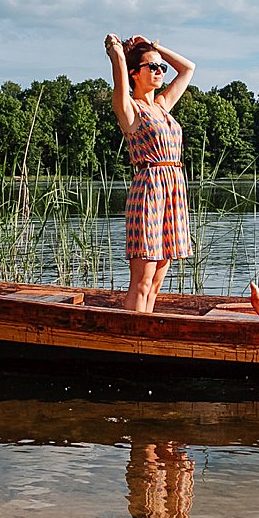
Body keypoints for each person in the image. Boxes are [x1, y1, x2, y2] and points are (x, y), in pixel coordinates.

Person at [105, 32, 196, 312]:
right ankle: (131, 336)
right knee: (142, 279)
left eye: (161, 67)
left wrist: (156, 47)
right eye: (152, 67)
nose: (159, 71)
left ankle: (145, 334)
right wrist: (117, 55)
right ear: (135, 74)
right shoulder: (130, 109)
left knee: (157, 278)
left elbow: (188, 68)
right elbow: (119, 82)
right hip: (149, 189)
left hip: (173, 189)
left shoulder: (162, 105)